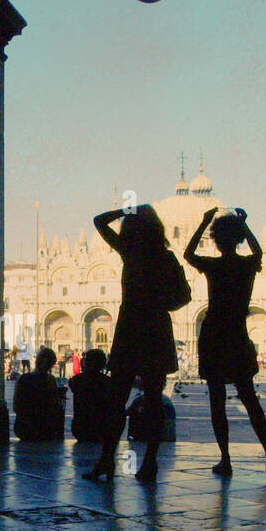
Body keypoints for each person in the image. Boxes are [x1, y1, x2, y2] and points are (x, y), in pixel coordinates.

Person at [84, 204, 187, 483]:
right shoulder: (165, 257)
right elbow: (185, 296)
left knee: (116, 400)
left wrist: (126, 209)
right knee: (153, 399)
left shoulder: (130, 253)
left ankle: (107, 460)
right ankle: (149, 462)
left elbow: (99, 220)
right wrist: (161, 305)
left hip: (131, 329)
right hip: (155, 330)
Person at [185, 207, 266, 476]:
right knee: (249, 397)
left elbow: (189, 254)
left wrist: (204, 222)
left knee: (217, 400)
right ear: (238, 238)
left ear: (216, 240)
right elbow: (258, 252)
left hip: (214, 334)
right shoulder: (247, 265)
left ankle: (225, 459)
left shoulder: (213, 266)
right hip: (237, 334)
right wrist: (244, 224)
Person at [13, 346, 64, 439]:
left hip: (23, 429)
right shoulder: (51, 380)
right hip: (46, 430)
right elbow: (54, 406)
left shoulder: (23, 379)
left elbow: (16, 407)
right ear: (51, 364)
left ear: (37, 361)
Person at [68, 349, 111, 443]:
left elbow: (72, 385)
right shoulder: (107, 382)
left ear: (86, 363)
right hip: (101, 429)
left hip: (80, 430)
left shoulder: (76, 380)